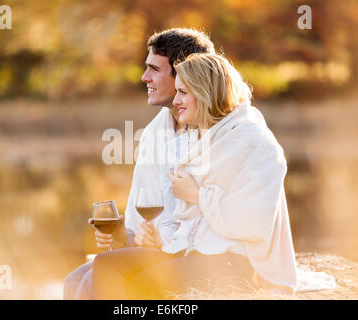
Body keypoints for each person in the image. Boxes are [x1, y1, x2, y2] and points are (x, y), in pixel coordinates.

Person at [88, 53, 298, 300]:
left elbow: (253, 224)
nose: (175, 101)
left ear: (205, 93)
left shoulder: (255, 144)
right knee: (106, 264)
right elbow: (187, 222)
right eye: (176, 92)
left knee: (141, 283)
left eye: (183, 93)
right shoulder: (195, 141)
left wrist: (197, 195)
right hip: (192, 253)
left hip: (233, 261)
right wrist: (160, 238)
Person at [63, 28, 216, 300]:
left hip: (196, 255)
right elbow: (144, 221)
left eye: (154, 69)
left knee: (95, 277)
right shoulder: (154, 135)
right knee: (74, 280)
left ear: (185, 74)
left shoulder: (213, 134)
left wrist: (162, 241)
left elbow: (212, 218)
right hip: (159, 249)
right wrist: (124, 234)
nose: (144, 78)